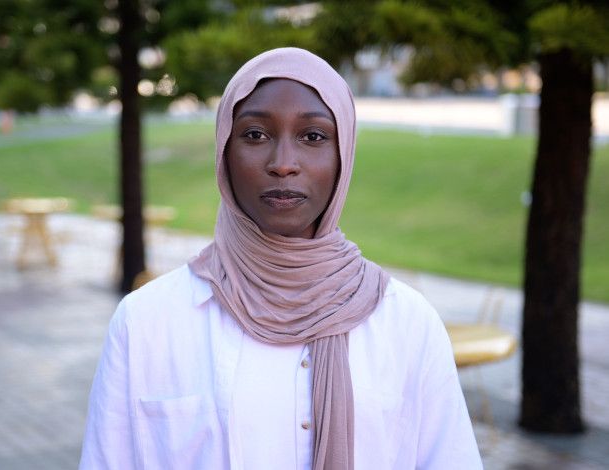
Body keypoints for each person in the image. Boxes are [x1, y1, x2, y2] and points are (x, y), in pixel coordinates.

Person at [79, 47, 482, 470]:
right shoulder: (146, 322)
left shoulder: (406, 323)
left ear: (343, 155)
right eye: (255, 135)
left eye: (313, 137)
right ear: (224, 154)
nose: (283, 164)